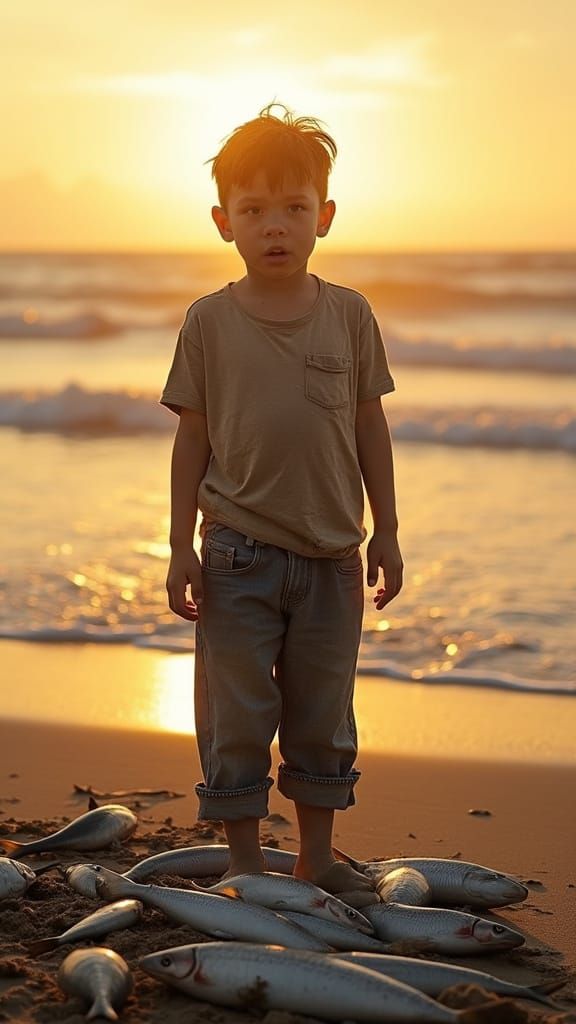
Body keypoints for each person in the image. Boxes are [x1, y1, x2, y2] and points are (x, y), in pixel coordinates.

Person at [161, 104, 403, 906]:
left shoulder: (350, 313)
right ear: (223, 220)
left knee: (323, 714)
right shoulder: (208, 322)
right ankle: (243, 860)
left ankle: (318, 856)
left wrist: (389, 532)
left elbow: (369, 426)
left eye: (294, 208)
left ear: (324, 217)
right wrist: (179, 545)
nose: (275, 226)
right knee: (235, 714)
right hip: (237, 552)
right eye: (255, 209)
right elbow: (192, 441)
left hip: (334, 556)